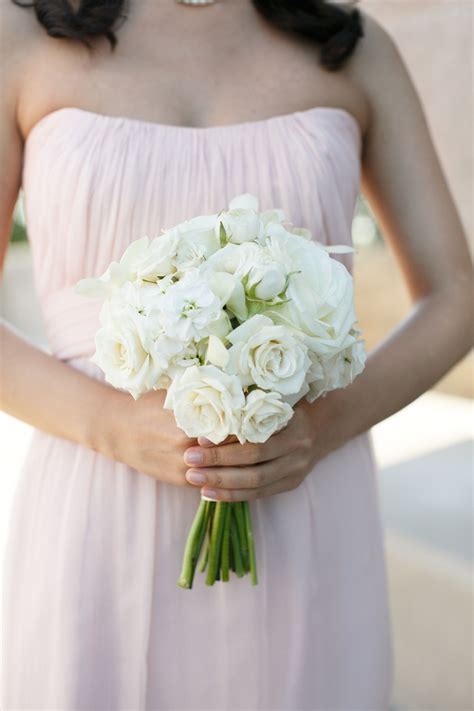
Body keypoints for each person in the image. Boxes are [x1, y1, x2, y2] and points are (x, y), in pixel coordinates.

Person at [0, 0, 472, 708]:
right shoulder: (23, 33)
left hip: (303, 492)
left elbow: (455, 293)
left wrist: (321, 429)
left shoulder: (353, 46)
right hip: (96, 502)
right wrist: (112, 424)